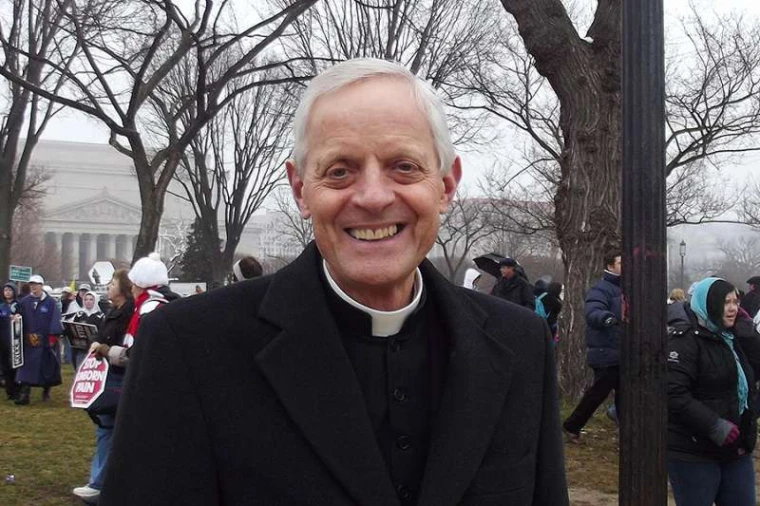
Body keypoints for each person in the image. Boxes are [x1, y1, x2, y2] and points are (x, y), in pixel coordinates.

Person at [99, 58, 568, 506]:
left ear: (445, 185)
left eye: (403, 166)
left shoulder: (520, 342)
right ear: (302, 190)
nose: (372, 197)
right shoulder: (188, 349)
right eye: (339, 171)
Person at [667, 277, 759, 506]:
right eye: (725, 302)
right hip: (693, 450)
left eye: (735, 302)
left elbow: (747, 386)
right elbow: (674, 394)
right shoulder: (685, 340)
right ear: (708, 303)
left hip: (736, 449)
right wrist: (714, 425)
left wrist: (750, 336)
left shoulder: (734, 337)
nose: (732, 308)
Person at [72, 269, 135, 503]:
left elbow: (121, 343)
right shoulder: (113, 311)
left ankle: (100, 484)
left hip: (118, 375)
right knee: (105, 429)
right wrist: (95, 342)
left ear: (124, 288)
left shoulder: (129, 312)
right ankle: (100, 481)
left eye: (113, 283)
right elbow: (100, 335)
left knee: (108, 430)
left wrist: (103, 347)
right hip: (107, 374)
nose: (108, 286)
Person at [562, 250, 622, 440]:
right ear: (610, 265)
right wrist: (606, 318)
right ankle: (572, 425)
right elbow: (593, 310)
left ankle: (625, 431)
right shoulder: (601, 289)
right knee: (598, 392)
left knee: (624, 393)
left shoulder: (626, 288)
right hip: (605, 351)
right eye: (621, 263)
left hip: (620, 351)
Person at [13, 274, 63, 405]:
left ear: (41, 286)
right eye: (31, 284)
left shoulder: (50, 302)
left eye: (36, 284)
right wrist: (16, 318)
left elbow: (55, 319)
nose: (33, 287)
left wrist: (53, 335)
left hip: (45, 342)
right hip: (29, 342)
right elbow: (18, 314)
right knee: (26, 369)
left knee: (46, 368)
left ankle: (46, 390)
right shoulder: (24, 301)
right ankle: (25, 394)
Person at [63, 290, 105, 371]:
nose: (88, 302)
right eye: (86, 299)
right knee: (80, 370)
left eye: (91, 299)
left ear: (95, 301)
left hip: (94, 350)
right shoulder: (79, 315)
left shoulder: (100, 316)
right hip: (80, 349)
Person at [0, 282, 20, 400]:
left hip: (15, 341)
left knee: (15, 366)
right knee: (5, 366)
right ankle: (9, 390)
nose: (7, 292)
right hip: (3, 341)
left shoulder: (18, 305)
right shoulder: (1, 306)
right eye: (5, 290)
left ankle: (17, 388)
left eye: (10, 290)